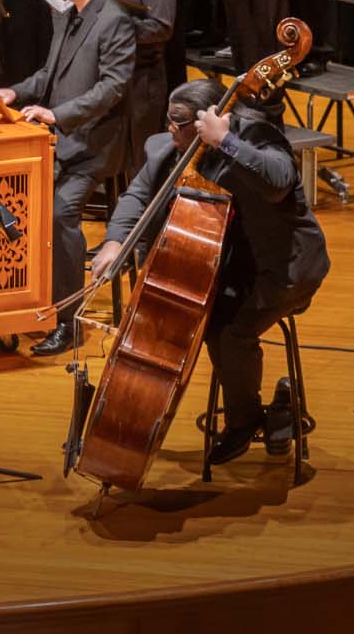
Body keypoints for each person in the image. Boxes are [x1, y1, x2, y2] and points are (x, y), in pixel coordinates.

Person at [92, 78, 329, 464]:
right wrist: (115, 241)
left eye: (179, 122)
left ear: (210, 120)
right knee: (208, 325)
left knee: (230, 334)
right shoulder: (170, 150)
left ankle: (244, 421)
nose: (170, 129)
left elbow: (279, 182)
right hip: (230, 267)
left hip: (284, 269)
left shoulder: (257, 138)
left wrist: (226, 142)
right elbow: (137, 194)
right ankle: (264, 410)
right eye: (168, 119)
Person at [0, 0, 136, 355]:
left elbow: (112, 88)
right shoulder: (67, 15)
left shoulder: (115, 21)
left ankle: (69, 319)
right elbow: (48, 75)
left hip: (93, 143)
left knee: (58, 215)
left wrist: (59, 115)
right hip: (56, 140)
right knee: (18, 203)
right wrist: (13, 91)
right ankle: (29, 298)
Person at [94, 0, 178, 179]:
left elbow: (162, 27)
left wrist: (115, 30)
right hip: (105, 75)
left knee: (138, 168)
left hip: (140, 82)